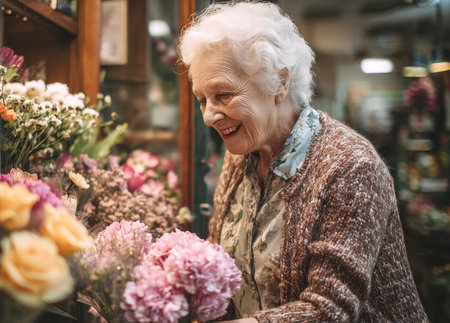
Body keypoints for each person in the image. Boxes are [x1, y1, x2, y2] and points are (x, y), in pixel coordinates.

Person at [178, 1, 428, 322]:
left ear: (280, 82)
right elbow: (220, 269)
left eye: (223, 95)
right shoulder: (241, 156)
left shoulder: (351, 166)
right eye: (202, 99)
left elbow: (330, 310)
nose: (209, 116)